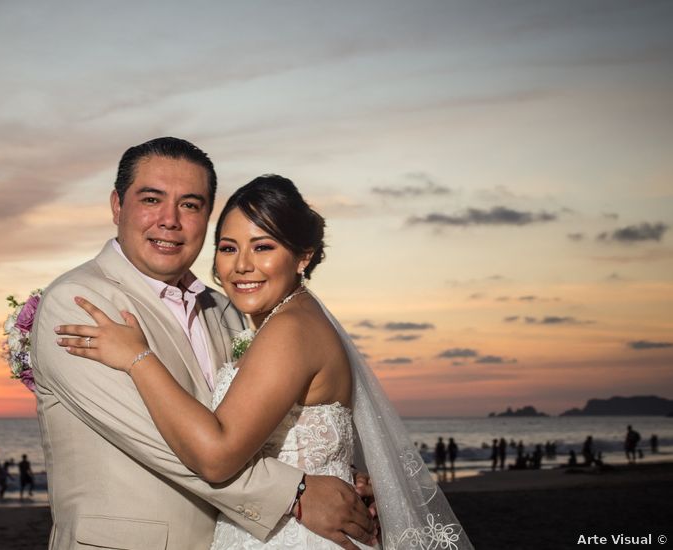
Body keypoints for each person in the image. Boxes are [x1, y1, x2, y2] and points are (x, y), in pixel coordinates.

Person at [55, 173, 471, 549]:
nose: (242, 266)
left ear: (302, 257)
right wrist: (346, 476)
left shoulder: (290, 329)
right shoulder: (267, 320)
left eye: (263, 247)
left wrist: (137, 357)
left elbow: (216, 455)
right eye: (229, 248)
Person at [33, 138, 380, 550]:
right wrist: (298, 492)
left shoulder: (228, 308)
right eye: (151, 199)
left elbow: (265, 420)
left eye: (190, 205)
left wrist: (336, 473)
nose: (170, 220)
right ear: (116, 206)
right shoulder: (79, 305)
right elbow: (166, 444)